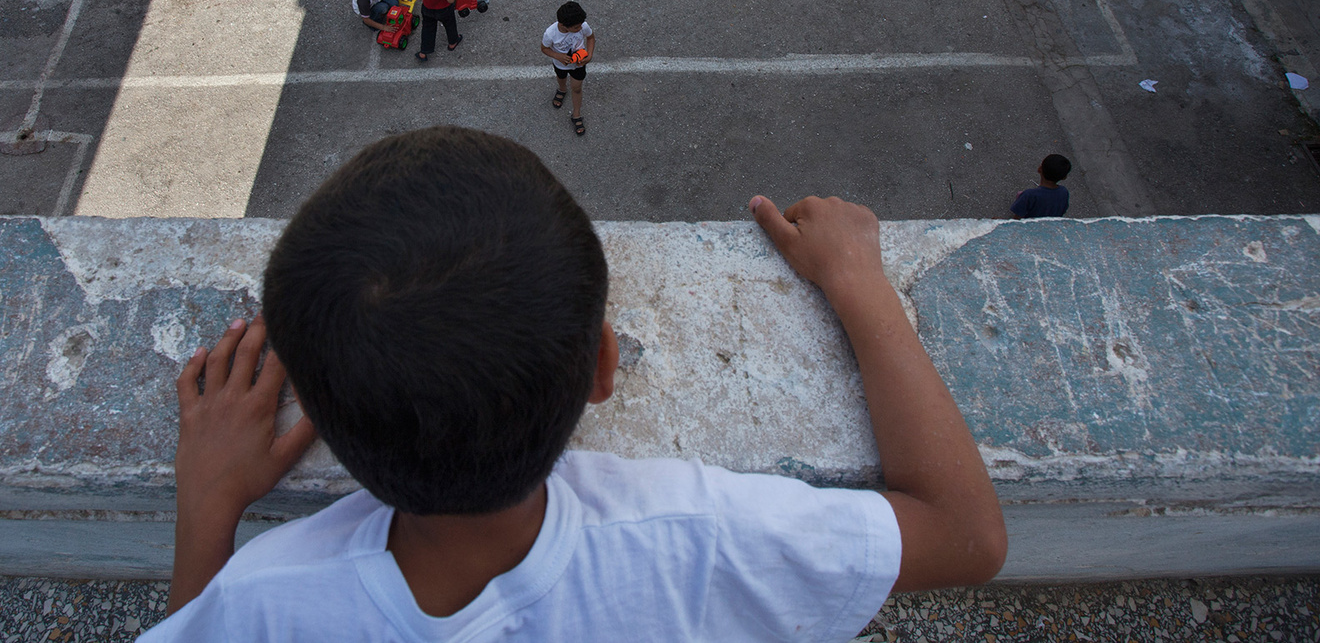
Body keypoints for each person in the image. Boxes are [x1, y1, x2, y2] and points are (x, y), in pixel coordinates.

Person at [143, 127, 1007, 641]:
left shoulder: (265, 598)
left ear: (318, 417)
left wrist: (208, 505)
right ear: (603, 365)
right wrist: (860, 283)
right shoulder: (698, 537)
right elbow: (966, 535)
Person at [541, 2, 594, 135]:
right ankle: (562, 89)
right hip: (560, 65)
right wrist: (558, 56)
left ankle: (576, 114)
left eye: (580, 25)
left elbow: (590, 37)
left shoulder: (582, 25)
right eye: (576, 27)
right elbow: (544, 49)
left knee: (577, 88)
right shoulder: (550, 34)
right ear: (563, 25)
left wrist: (589, 55)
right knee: (561, 78)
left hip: (579, 64)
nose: (580, 28)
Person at [1010, 154, 1072, 219]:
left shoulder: (1029, 195)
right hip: (1051, 223)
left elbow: (1017, 218)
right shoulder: (1064, 191)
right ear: (1064, 177)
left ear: (1039, 169)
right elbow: (1063, 210)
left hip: (1031, 223)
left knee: (1021, 196)